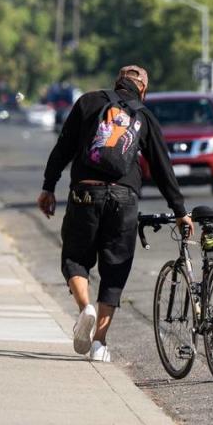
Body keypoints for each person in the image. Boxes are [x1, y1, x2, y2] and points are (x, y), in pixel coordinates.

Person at [37, 65, 193, 362]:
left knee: (75, 258)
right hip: (125, 199)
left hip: (85, 192)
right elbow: (162, 168)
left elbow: (63, 148)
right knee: (115, 270)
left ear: (116, 82)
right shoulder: (144, 116)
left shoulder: (88, 102)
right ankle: (99, 344)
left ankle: (86, 309)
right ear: (143, 90)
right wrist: (180, 211)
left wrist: (48, 187)